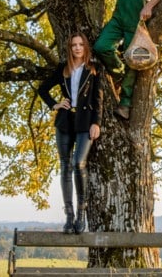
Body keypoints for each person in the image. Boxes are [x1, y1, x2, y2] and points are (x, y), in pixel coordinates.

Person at [92, 0, 162, 120]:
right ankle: (118, 74)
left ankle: (125, 104)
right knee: (101, 47)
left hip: (136, 20)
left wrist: (148, 7)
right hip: (118, 17)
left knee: (133, 59)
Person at [38, 32, 103, 234]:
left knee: (78, 163)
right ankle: (69, 217)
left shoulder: (93, 69)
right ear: (70, 48)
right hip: (65, 121)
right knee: (65, 165)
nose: (77, 48)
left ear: (85, 47)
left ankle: (81, 214)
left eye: (80, 44)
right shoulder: (62, 69)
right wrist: (55, 105)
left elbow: (98, 99)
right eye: (74, 45)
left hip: (85, 122)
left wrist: (97, 123)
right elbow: (43, 89)